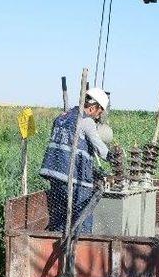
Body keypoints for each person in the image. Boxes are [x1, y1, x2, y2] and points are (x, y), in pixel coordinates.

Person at [39, 87, 111, 233]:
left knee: (60, 218)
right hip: (74, 180)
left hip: (55, 176)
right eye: (99, 111)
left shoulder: (61, 117)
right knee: (83, 219)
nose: (99, 115)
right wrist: (113, 156)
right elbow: (100, 149)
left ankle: (59, 249)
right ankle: (82, 252)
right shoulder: (86, 121)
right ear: (92, 107)